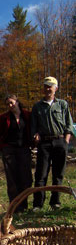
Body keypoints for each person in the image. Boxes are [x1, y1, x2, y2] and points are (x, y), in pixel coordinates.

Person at [31, 76, 74, 211]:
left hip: (60, 141)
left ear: (56, 88)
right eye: (46, 86)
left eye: (50, 86)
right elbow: (33, 126)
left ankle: (55, 202)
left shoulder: (62, 104)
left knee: (58, 174)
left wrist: (66, 140)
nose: (48, 88)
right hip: (44, 143)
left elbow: (69, 124)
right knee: (40, 174)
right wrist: (35, 135)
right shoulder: (37, 106)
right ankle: (38, 204)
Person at [0, 94, 32, 212]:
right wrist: (3, 148)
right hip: (9, 151)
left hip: (24, 149)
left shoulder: (27, 115)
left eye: (11, 102)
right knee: (12, 180)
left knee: (25, 178)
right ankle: (15, 207)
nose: (10, 105)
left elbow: (33, 129)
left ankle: (24, 205)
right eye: (8, 104)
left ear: (17, 102)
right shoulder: (4, 118)